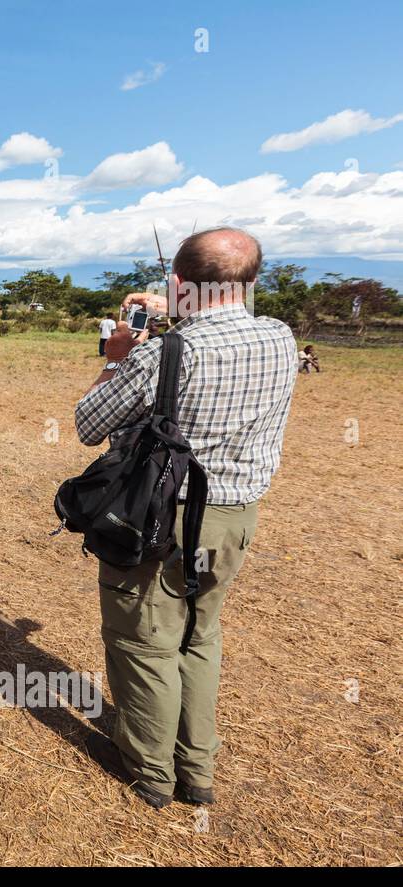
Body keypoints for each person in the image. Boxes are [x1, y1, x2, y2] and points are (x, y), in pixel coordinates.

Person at [75, 227, 296, 809]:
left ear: (177, 284)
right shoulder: (279, 337)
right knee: (200, 635)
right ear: (251, 281)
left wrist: (116, 360)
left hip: (160, 521)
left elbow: (88, 424)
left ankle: (150, 772)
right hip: (235, 520)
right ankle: (196, 768)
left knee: (144, 641)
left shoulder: (162, 353)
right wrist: (176, 310)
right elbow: (224, 314)